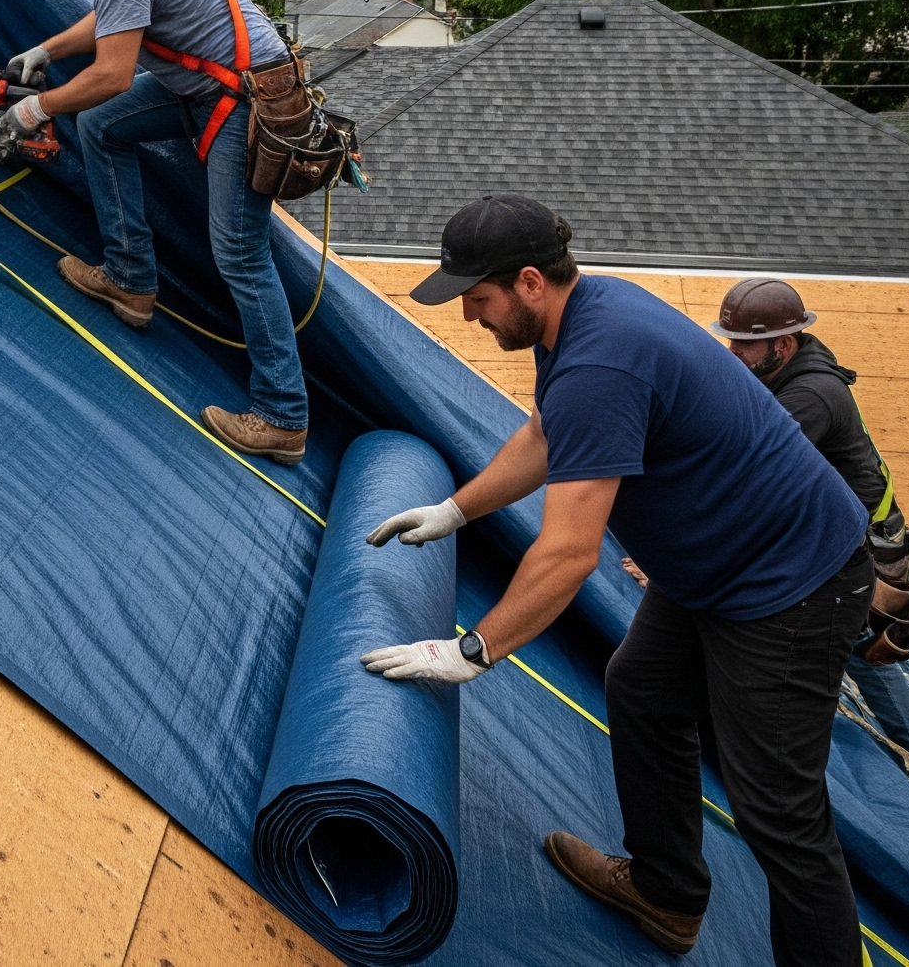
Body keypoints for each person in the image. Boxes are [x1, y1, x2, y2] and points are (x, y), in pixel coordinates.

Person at [359, 196, 871, 964]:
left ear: (530, 281)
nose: (469, 316)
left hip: (791, 588)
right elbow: (547, 431)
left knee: (780, 815)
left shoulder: (602, 357)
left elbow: (568, 556)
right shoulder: (578, 316)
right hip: (715, 571)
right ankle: (667, 893)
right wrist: (455, 510)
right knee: (642, 689)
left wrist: (472, 650)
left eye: (478, 298)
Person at [0, 0, 312, 464]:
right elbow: (111, 20)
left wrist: (37, 109)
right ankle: (131, 281)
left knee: (240, 254)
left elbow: (113, 74)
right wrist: (46, 49)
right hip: (214, 88)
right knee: (105, 127)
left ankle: (283, 416)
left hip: (245, 104)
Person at [714, 275, 909, 805]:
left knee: (862, 652)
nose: (732, 352)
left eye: (744, 344)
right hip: (848, 531)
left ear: (783, 344)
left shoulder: (810, 395)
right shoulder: (791, 365)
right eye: (731, 340)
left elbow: (752, 486)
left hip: (866, 555)